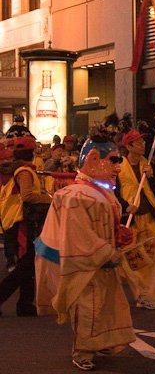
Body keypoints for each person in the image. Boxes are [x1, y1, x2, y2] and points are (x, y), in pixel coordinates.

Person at [34, 133, 136, 371]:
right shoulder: (76, 196)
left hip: (98, 261)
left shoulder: (99, 192)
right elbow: (79, 236)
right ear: (92, 158)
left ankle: (100, 342)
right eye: (113, 160)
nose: (118, 168)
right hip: (82, 264)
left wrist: (117, 233)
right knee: (87, 306)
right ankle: (83, 350)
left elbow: (98, 227)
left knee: (105, 304)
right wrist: (106, 250)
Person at [0, 136, 52, 317]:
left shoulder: (19, 170)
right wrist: (52, 199)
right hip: (21, 222)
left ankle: (25, 304)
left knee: (28, 265)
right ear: (31, 152)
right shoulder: (25, 172)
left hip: (16, 221)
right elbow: (27, 196)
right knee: (26, 265)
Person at [118, 129, 155, 310]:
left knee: (150, 258)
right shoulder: (119, 168)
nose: (143, 145)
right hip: (131, 219)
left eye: (143, 142)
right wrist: (124, 206)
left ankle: (145, 294)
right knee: (132, 259)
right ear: (129, 146)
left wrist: (153, 177)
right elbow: (114, 192)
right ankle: (138, 292)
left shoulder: (149, 165)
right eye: (138, 143)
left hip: (149, 218)